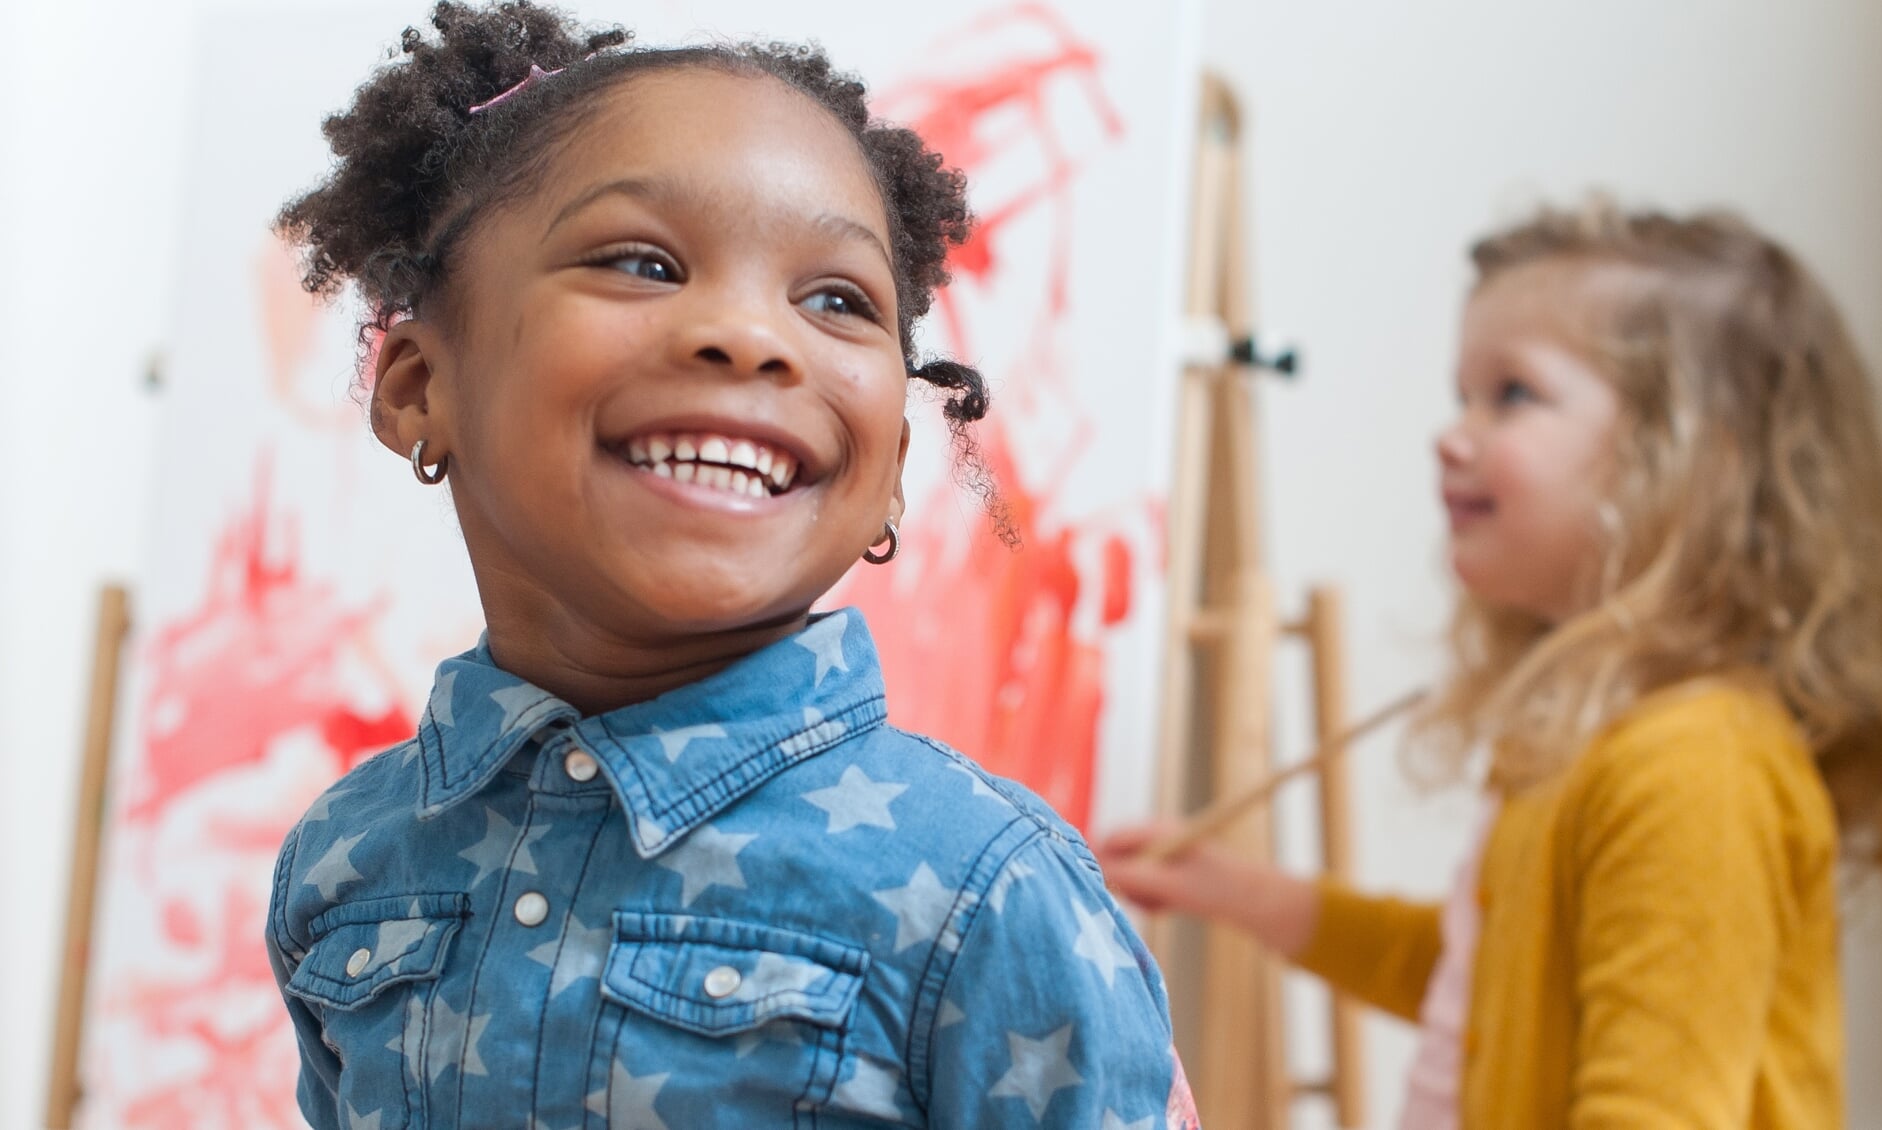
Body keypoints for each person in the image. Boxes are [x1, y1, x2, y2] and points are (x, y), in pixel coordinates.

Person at [265, 4, 1195, 1127]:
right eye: (644, 262)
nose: (754, 337)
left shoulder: (988, 890)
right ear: (418, 385)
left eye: (836, 299)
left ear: (893, 463)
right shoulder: (349, 857)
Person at [1100, 199, 1882, 1129]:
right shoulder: (1599, 741)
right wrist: (1251, 895)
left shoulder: (1696, 771)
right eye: (1463, 394)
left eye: (1513, 395)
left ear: (1690, 459)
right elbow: (1482, 976)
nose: (1451, 435)